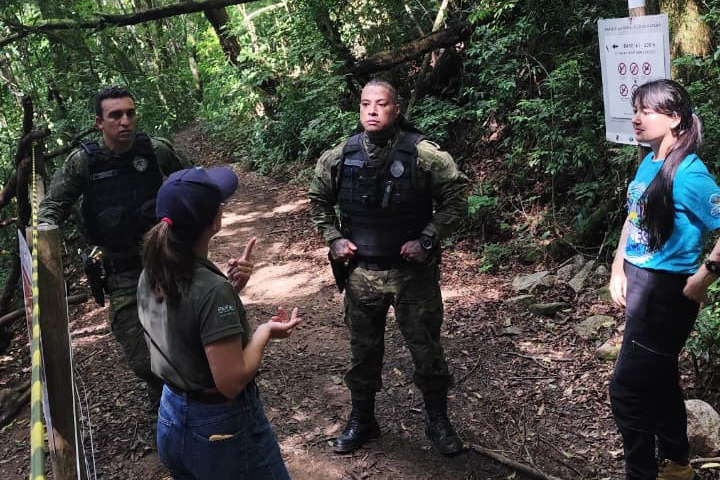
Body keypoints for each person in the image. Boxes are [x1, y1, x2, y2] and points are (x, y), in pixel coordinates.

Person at [308, 79, 469, 455]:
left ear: (396, 109)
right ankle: (363, 420)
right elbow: (318, 199)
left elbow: (457, 197)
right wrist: (333, 238)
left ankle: (438, 421)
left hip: (412, 275)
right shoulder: (340, 156)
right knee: (363, 352)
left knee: (426, 350)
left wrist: (427, 238)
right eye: (366, 104)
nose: (372, 111)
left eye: (381, 104)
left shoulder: (424, 154)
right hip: (362, 273)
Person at [138, 166, 302, 480]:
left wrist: (229, 290)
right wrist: (264, 332)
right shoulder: (210, 290)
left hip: (171, 414)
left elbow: (184, 324)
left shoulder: (153, 270)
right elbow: (231, 381)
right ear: (214, 221)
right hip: (218, 430)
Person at [38, 85, 191, 409]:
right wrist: (44, 235)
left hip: (166, 260)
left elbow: (192, 181)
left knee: (185, 335)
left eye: (130, 113)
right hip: (121, 272)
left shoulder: (156, 151)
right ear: (99, 122)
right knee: (140, 355)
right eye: (116, 115)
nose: (125, 121)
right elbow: (53, 205)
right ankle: (166, 394)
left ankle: (181, 405)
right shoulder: (83, 162)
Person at [609, 79, 720, 480]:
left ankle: (641, 473)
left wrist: (704, 277)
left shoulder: (690, 174)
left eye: (646, 111)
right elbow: (634, 215)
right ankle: (677, 464)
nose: (636, 118)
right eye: (634, 110)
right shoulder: (652, 160)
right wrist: (619, 265)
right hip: (641, 283)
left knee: (626, 390)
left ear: (674, 118)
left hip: (667, 294)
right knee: (659, 379)